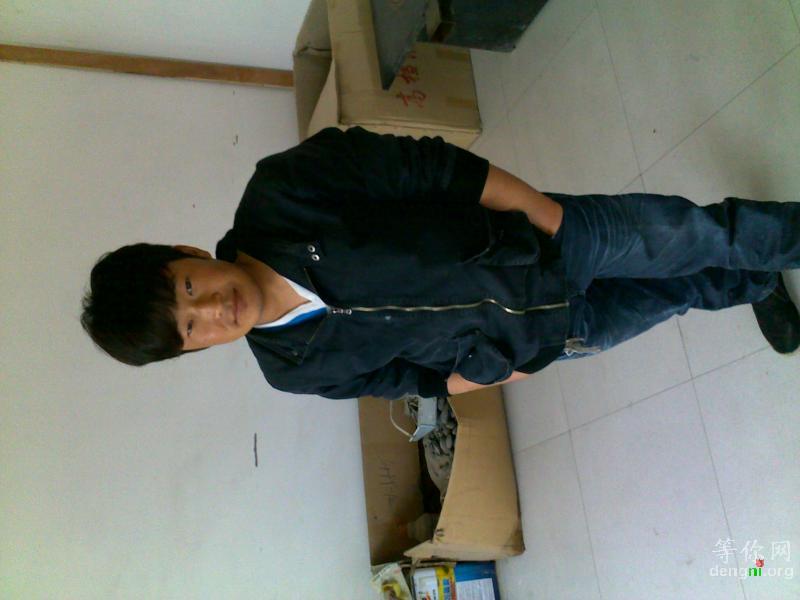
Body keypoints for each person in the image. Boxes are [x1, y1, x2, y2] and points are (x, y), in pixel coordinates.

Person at [81, 126, 800, 400]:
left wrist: (545, 215)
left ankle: (769, 248)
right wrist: (501, 374)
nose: (212, 311)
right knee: (670, 295)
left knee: (701, 233)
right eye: (191, 328)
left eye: (189, 287)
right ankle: (755, 282)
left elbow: (429, 167)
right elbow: (410, 379)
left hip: (544, 239)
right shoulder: (291, 369)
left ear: (187, 253)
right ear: (193, 350)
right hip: (540, 336)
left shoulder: (281, 194)